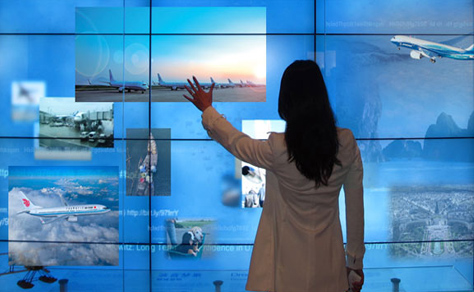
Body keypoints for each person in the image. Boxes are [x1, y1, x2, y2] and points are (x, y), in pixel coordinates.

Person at [183, 60, 365, 292]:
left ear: (286, 99)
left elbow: (238, 143)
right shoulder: (346, 143)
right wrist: (355, 263)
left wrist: (208, 110)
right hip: (330, 269)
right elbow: (355, 208)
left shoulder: (278, 148)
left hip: (283, 269)